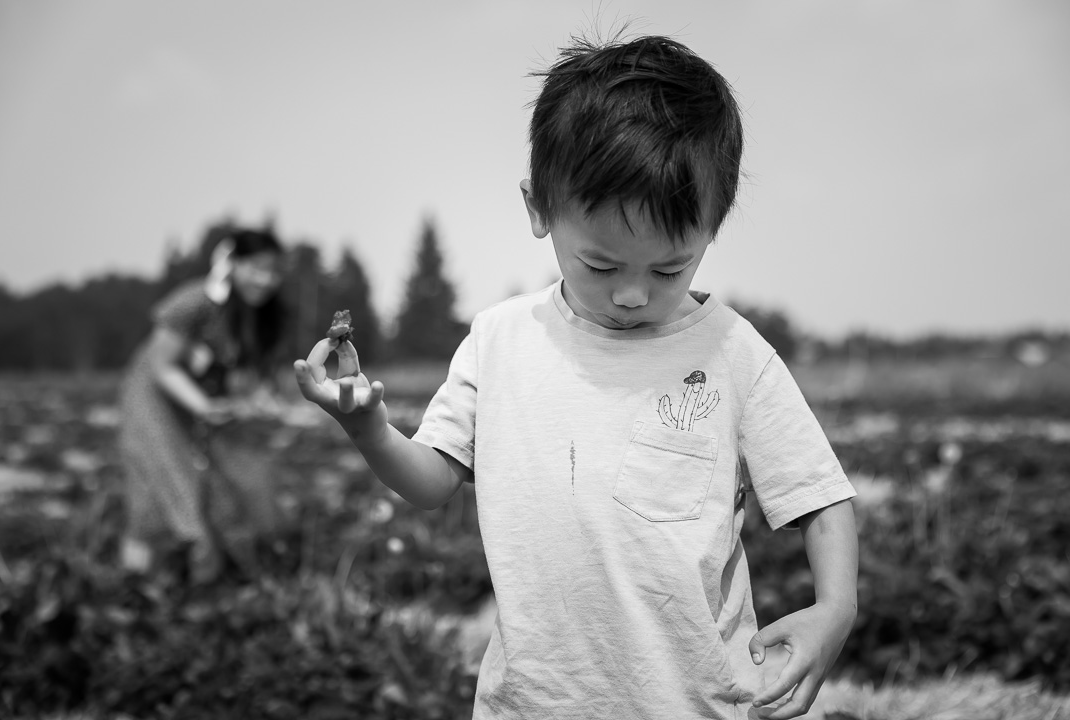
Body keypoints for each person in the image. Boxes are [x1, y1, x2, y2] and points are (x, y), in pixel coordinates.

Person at [295, 34, 858, 720]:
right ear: (539, 209)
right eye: (601, 265)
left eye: (668, 269)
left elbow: (820, 498)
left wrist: (835, 609)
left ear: (713, 228)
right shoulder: (501, 341)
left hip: (699, 703)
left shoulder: (734, 352)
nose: (631, 295)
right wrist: (367, 427)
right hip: (534, 704)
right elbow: (432, 480)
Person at [119, 225, 286, 584]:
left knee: (208, 488)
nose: (265, 279)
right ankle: (144, 583)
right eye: (256, 267)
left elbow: (246, 377)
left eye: (273, 271)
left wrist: (256, 402)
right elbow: (160, 365)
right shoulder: (195, 302)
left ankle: (180, 576)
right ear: (233, 264)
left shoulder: (255, 317)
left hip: (197, 403)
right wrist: (203, 406)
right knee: (166, 483)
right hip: (154, 398)